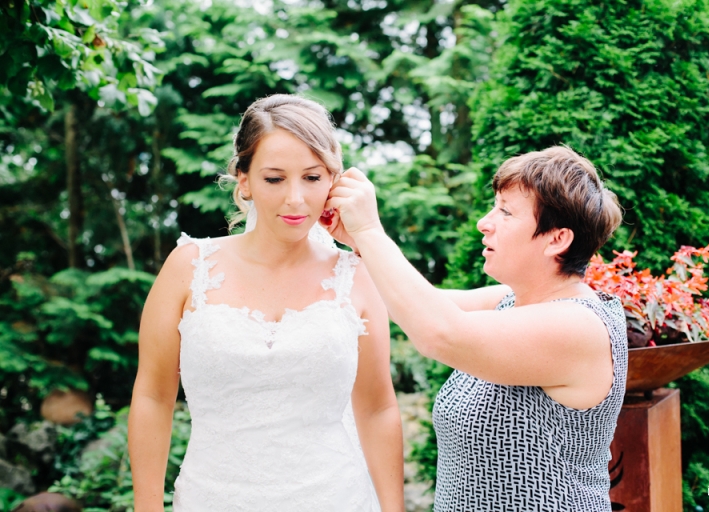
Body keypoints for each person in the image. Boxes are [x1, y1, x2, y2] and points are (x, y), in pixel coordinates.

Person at [128, 95, 404, 512]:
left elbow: (378, 408)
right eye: (275, 179)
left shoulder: (358, 274)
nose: (295, 198)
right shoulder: (189, 267)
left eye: (312, 178)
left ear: (334, 180)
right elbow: (153, 396)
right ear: (244, 181)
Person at [325, 146, 627, 511]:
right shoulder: (509, 300)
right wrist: (357, 241)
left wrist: (370, 230)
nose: (485, 222)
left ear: (557, 239)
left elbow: (438, 333)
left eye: (506, 212)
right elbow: (407, 303)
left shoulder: (578, 325)